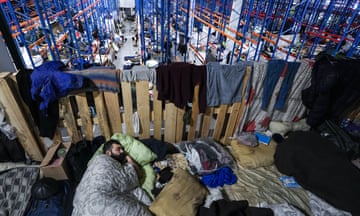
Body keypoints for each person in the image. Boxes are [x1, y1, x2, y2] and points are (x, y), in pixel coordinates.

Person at [72, 139, 152, 216]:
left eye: (123, 149)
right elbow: (132, 178)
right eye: (118, 149)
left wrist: (127, 158)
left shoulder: (119, 167)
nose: (122, 151)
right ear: (108, 153)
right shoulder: (101, 160)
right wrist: (128, 158)